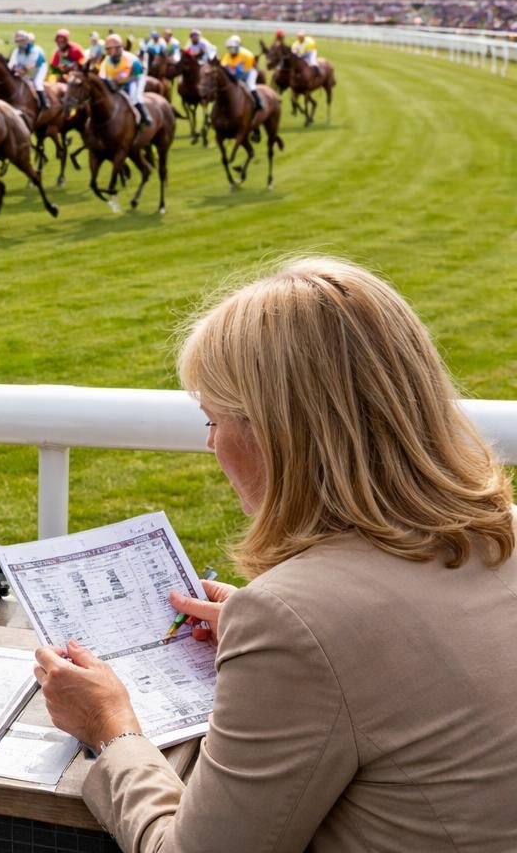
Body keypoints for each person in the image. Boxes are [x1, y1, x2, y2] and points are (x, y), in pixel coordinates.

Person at [35, 256, 517, 853]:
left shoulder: (295, 617)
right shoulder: (501, 530)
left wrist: (110, 729)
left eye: (213, 420)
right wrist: (273, 637)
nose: (210, 443)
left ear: (275, 433)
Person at [98, 33, 149, 126]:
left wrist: (124, 81)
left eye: (109, 49)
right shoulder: (105, 62)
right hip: (116, 83)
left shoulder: (131, 59)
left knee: (134, 96)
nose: (107, 52)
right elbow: (102, 77)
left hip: (135, 79)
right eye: (107, 49)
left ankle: (144, 116)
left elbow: (138, 74)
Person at [7, 29, 49, 110]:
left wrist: (20, 70)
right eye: (17, 41)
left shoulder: (35, 50)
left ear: (26, 40)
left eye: (21, 40)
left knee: (37, 83)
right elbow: (12, 63)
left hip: (39, 69)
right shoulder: (16, 51)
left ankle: (44, 102)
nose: (19, 43)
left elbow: (32, 65)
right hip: (24, 69)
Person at [221, 34, 263, 110]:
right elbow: (223, 66)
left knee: (250, 85)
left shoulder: (247, 55)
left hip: (249, 72)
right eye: (230, 48)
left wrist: (235, 72)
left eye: (233, 48)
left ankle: (258, 102)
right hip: (236, 74)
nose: (231, 51)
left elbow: (244, 71)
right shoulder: (227, 56)